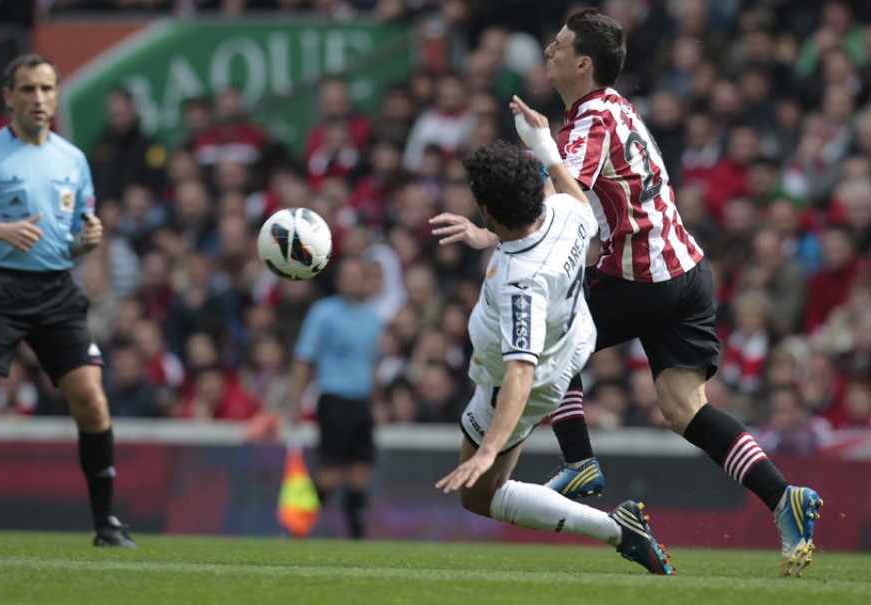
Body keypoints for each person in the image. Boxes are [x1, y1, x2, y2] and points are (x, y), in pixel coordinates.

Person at [430, 9, 821, 577]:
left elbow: (563, 201)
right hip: (686, 269)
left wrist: (515, 190)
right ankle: (785, 497)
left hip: (643, 273)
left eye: (559, 46)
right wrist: (538, 154)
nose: (548, 51)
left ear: (583, 63)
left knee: (551, 328)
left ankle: (580, 460)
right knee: (685, 409)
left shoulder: (589, 121)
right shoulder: (614, 108)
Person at [0, 54, 136, 547]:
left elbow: (72, 235)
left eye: (47, 89)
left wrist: (88, 240)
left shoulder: (73, 159)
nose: (39, 99)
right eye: (29, 89)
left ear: (56, 95)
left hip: (57, 291)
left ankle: (106, 525)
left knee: (93, 403)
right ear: (8, 97)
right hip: (2, 289)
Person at [434, 114, 673, 575]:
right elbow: (569, 188)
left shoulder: (521, 283)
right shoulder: (567, 212)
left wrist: (487, 452)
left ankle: (620, 530)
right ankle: (587, 475)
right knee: (488, 480)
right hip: (573, 337)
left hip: (523, 381)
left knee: (479, 494)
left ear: (488, 210)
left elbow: (520, 375)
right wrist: (544, 146)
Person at [288, 256, 384, 539]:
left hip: (361, 403)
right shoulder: (324, 312)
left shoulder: (372, 316)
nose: (354, 281)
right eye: (348, 275)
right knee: (330, 475)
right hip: (334, 400)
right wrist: (295, 402)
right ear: (339, 280)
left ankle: (357, 541)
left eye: (359, 275)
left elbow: (373, 364)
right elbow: (304, 358)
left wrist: (376, 403)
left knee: (359, 475)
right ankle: (296, 527)